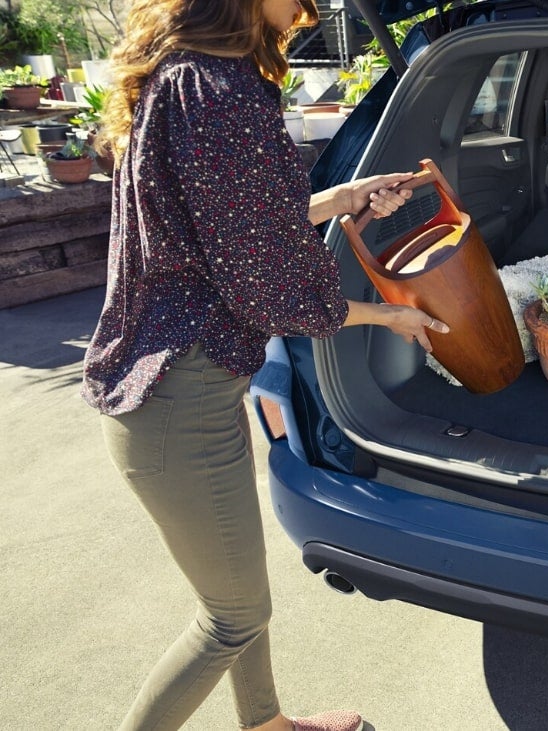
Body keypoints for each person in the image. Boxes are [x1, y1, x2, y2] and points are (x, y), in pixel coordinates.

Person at [81, 0, 448, 729]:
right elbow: (275, 290)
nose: (307, 13)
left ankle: (266, 723)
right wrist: (392, 315)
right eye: (300, 0)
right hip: (180, 402)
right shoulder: (222, 94)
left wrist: (345, 200)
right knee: (232, 616)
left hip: (177, 393)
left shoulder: (183, 79)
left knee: (236, 599)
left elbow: (238, 230)